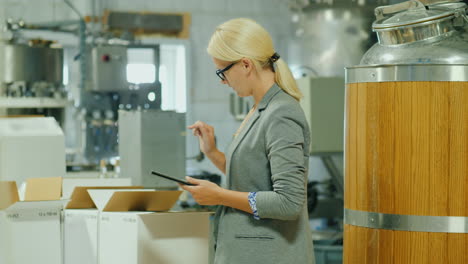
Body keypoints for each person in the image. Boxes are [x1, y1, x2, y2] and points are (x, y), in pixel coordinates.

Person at [180, 18, 315, 264]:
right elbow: (253, 177)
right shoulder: (258, 109)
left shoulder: (281, 113)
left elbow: (288, 202)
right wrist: (212, 153)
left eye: (222, 71)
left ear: (245, 65)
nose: (222, 81)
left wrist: (219, 196)